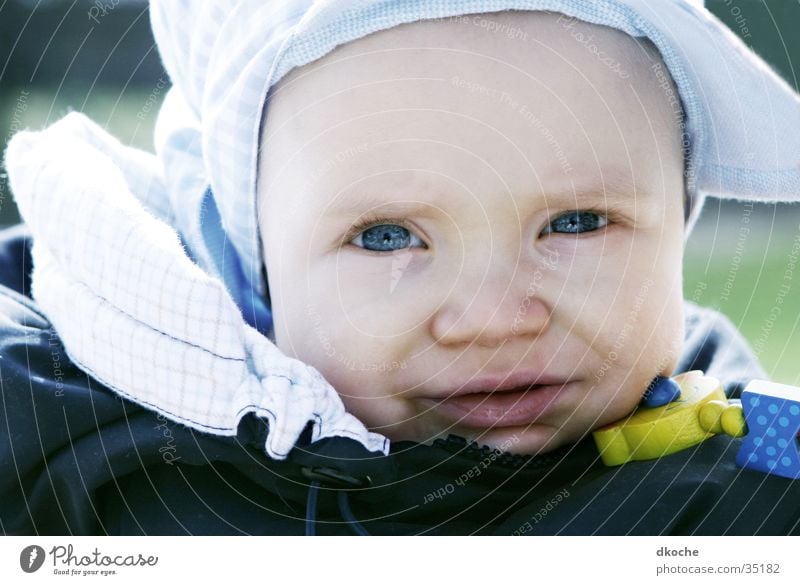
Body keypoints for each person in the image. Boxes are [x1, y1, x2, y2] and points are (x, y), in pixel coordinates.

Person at [1, 0, 799, 535]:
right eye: (387, 237)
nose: (492, 318)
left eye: (578, 222)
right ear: (253, 259)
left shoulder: (744, 469)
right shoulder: (60, 440)